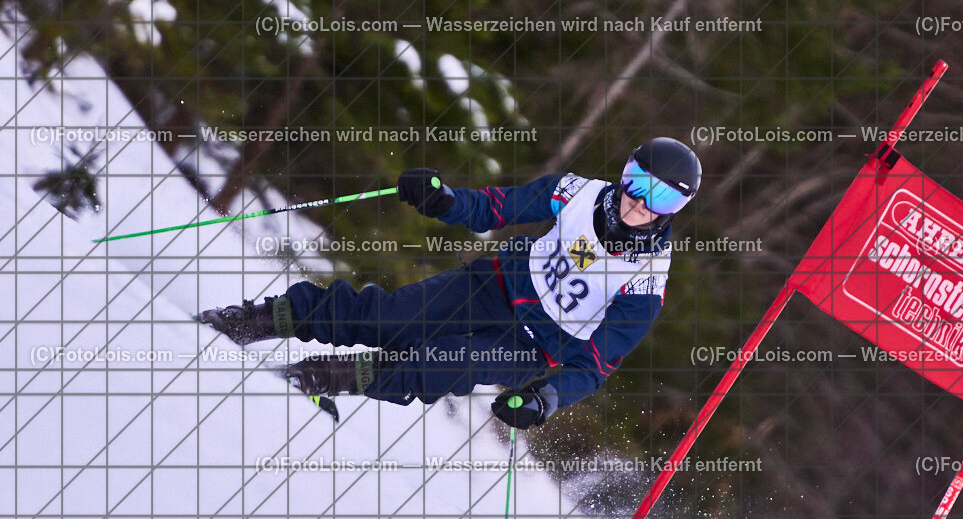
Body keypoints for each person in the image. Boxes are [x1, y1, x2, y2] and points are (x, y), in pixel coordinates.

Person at [197, 137, 701, 429]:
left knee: (436, 366)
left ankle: (319, 377)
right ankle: (260, 319)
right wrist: (444, 201)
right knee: (391, 319)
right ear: (626, 172)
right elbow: (498, 206)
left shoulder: (646, 284)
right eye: (638, 183)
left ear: (674, 211)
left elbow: (594, 365)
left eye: (662, 200)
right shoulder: (577, 192)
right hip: (496, 284)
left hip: (532, 345)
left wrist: (545, 399)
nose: (640, 204)